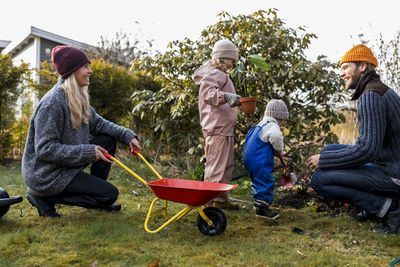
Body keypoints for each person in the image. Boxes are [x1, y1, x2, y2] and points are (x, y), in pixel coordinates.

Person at [22, 45, 142, 217]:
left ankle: (96, 193)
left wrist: (126, 135)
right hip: (46, 175)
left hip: (64, 166)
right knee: (109, 194)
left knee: (107, 140)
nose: (90, 71)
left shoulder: (77, 97)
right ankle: (41, 197)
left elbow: (100, 124)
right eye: (85, 67)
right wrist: (87, 152)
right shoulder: (52, 103)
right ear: (72, 70)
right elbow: (45, 149)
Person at [308, 44, 400, 234]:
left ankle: (390, 209)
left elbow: (367, 150)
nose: (342, 73)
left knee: (319, 179)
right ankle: (372, 206)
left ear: (363, 66)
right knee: (329, 149)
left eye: (345, 67)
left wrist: (324, 161)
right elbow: (370, 146)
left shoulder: (371, 96)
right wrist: (328, 157)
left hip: (394, 176)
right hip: (390, 166)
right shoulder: (381, 90)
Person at [193, 39, 241, 210]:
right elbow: (208, 93)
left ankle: (220, 201)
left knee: (225, 167)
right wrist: (226, 97)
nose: (232, 64)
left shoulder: (220, 74)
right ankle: (207, 204)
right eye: (231, 60)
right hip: (217, 128)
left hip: (224, 128)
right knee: (216, 168)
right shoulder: (214, 73)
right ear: (221, 57)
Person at [243, 99, 289, 219]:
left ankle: (258, 202)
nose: (282, 124)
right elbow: (276, 136)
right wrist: (279, 150)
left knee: (257, 180)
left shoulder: (260, 125)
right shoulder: (272, 126)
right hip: (259, 160)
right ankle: (262, 210)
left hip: (249, 159)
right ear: (280, 118)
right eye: (283, 121)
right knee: (266, 181)